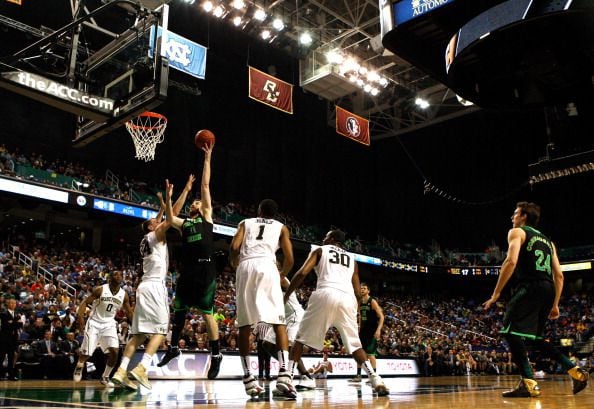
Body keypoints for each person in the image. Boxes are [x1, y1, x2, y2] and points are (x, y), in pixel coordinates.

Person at [483, 201, 589, 397]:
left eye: (515, 213)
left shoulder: (517, 232)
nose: (512, 217)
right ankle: (575, 371)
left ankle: (529, 383)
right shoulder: (549, 242)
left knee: (509, 330)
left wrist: (496, 294)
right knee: (536, 339)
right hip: (548, 289)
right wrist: (555, 303)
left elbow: (511, 261)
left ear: (523, 216)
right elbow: (559, 276)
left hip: (530, 286)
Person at [284, 229, 389, 396]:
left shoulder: (320, 250)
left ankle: (287, 378)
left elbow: (303, 272)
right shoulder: (351, 259)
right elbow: (357, 289)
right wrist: (354, 311)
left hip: (326, 292)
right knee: (355, 346)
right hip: (348, 299)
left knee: (300, 339)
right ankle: (375, 378)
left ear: (331, 239)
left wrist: (287, 294)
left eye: (325, 236)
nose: (323, 238)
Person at [157, 144, 223, 380]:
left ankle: (216, 354)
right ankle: (174, 347)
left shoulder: (206, 215)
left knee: (207, 314)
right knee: (179, 311)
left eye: (196, 202)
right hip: (188, 270)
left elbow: (205, 185)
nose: (195, 203)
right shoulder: (184, 223)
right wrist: (178, 192)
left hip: (205, 268)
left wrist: (208, 157)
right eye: (193, 202)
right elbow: (168, 217)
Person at [229, 199, 295, 398]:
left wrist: (235, 264)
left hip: (246, 265)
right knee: (278, 322)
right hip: (268, 266)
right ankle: (284, 373)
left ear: (258, 211)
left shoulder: (245, 223)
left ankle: (248, 378)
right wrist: (281, 275)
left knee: (244, 324)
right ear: (275, 214)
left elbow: (234, 247)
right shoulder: (281, 227)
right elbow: (290, 258)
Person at [112, 186, 172, 390]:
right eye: (156, 222)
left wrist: (161, 207)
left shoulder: (146, 239)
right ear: (151, 228)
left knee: (137, 335)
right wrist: (171, 200)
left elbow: (158, 220)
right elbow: (170, 221)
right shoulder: (155, 236)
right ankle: (142, 367)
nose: (159, 221)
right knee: (162, 330)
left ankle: (121, 371)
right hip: (155, 285)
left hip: (144, 286)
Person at [73, 270, 133, 387]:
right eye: (116, 274)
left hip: (109, 323)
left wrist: (137, 325)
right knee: (88, 353)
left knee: (115, 351)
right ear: (110, 278)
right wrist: (80, 317)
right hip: (94, 322)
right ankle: (80, 365)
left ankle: (105, 377)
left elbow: (129, 312)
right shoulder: (100, 289)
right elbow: (85, 303)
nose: (119, 276)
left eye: (120, 274)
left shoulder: (123, 294)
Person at [260, 276, 316, 390]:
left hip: (294, 316)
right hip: (281, 317)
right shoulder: (263, 284)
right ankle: (287, 367)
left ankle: (304, 376)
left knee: (290, 348)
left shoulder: (281, 278)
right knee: (267, 344)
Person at [349, 282, 384, 382]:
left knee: (370, 355)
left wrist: (378, 330)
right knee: (359, 352)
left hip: (372, 331)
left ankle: (374, 376)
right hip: (363, 331)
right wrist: (358, 329)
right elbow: (360, 316)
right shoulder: (360, 302)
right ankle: (358, 376)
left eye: (364, 288)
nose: (362, 290)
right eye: (361, 288)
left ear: (368, 291)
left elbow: (381, 317)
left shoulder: (372, 301)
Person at [0, 297, 21, 380]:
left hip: (13, 340)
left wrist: (13, 322)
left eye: (14, 303)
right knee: (1, 357)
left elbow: (20, 325)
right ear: (8, 304)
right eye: (11, 303)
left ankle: (11, 375)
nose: (13, 304)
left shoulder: (16, 314)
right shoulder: (3, 314)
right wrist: (15, 322)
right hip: (4, 340)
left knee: (11, 358)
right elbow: (6, 326)